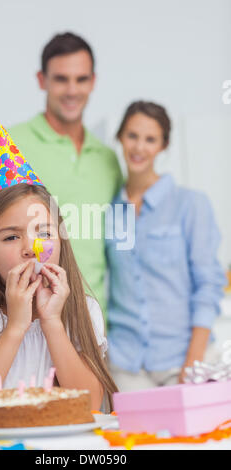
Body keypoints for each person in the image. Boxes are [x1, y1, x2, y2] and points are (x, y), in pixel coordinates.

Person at [0, 125, 118, 417]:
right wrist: (15, 328)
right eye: (11, 237)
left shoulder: (83, 313)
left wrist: (51, 321)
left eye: (44, 233)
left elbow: (89, 406)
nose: (30, 249)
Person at [0, 32, 123, 318]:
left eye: (81, 79)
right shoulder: (5, 144)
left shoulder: (108, 160)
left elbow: (116, 251)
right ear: (42, 80)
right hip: (22, 322)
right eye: (61, 79)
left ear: (93, 82)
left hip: (91, 322)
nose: (72, 90)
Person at [105, 101, 226, 391]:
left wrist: (193, 363)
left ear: (163, 146)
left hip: (183, 360)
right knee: (130, 436)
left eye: (151, 139)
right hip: (126, 364)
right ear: (120, 137)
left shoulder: (190, 204)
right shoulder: (109, 211)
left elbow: (208, 285)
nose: (139, 147)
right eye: (132, 136)